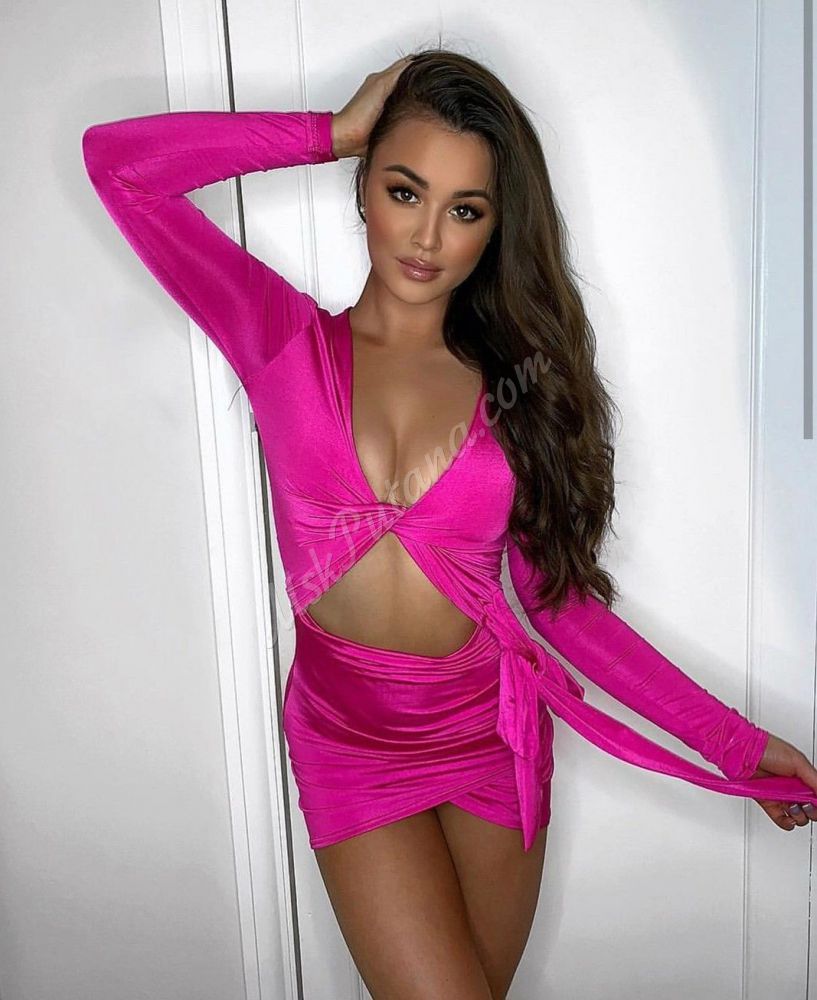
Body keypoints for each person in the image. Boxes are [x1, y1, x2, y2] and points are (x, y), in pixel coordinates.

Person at [82, 47, 817, 999]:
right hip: (348, 744)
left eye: (465, 210)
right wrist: (331, 131)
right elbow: (118, 165)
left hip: (488, 742)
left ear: (495, 229)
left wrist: (737, 746)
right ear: (363, 190)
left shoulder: (514, 395)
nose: (426, 236)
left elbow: (560, 612)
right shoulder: (280, 340)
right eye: (404, 190)